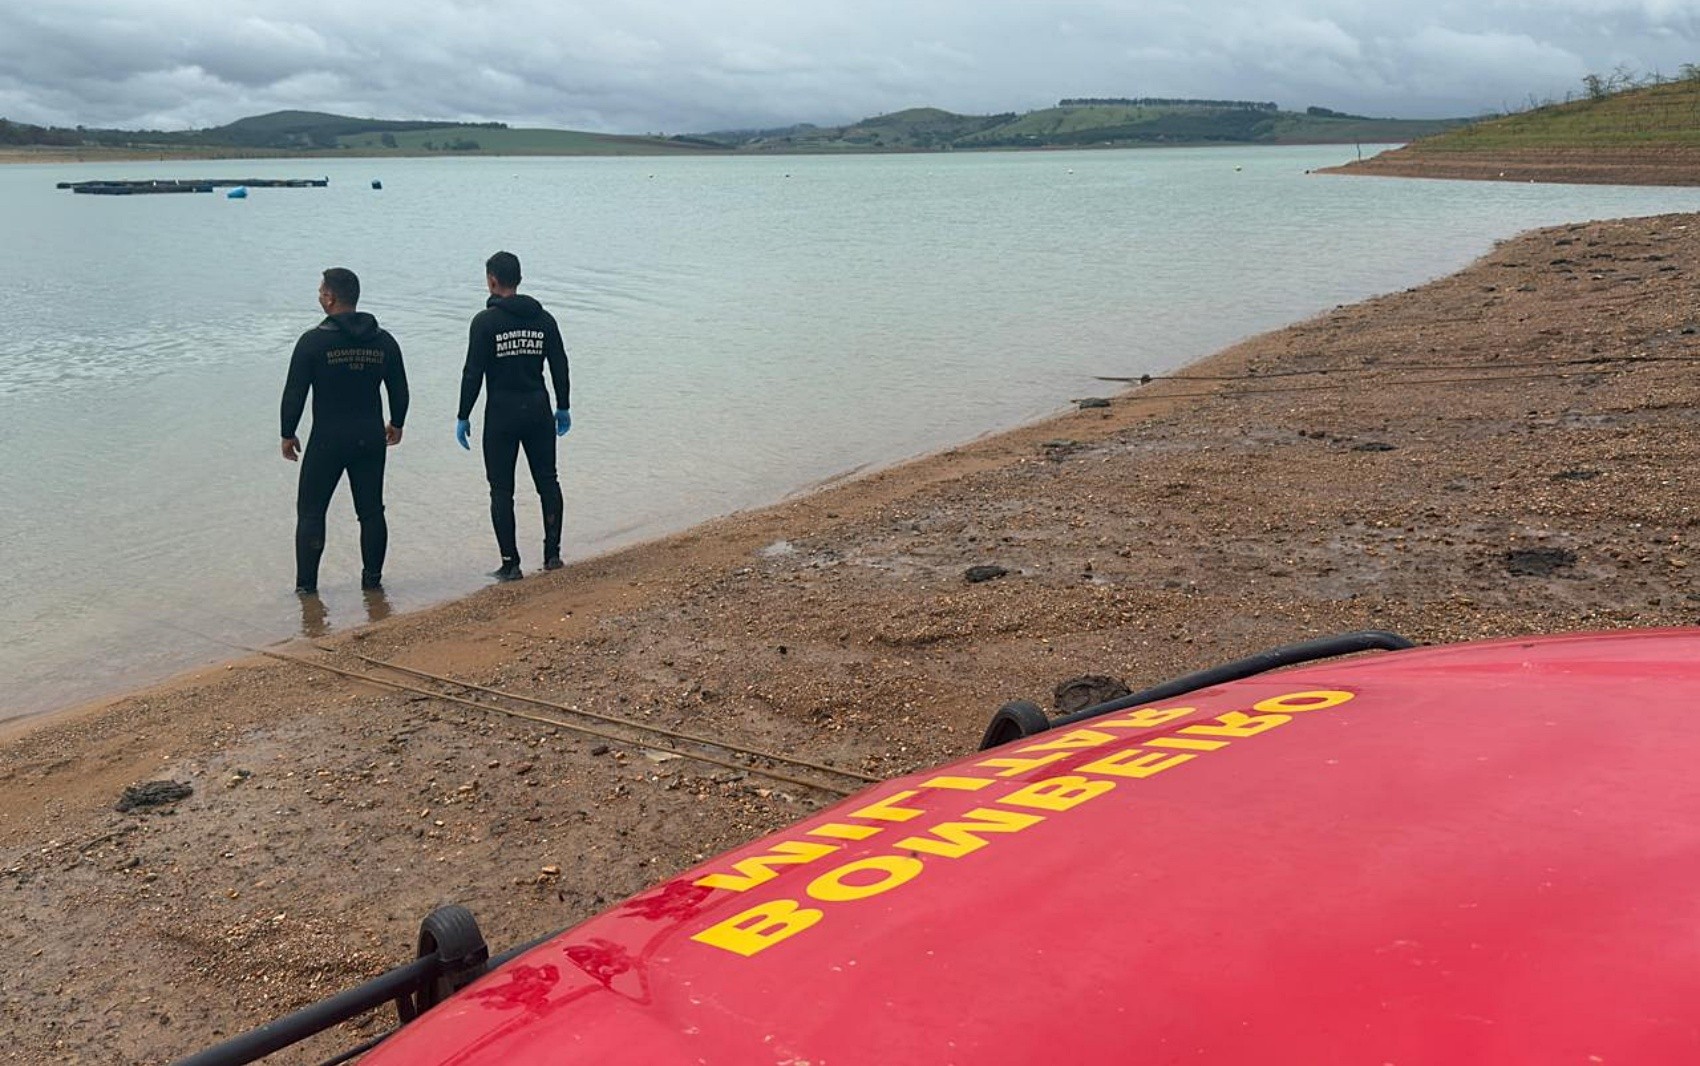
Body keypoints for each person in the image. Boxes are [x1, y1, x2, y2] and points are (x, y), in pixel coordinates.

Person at [280, 267, 408, 595]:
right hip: (370, 437)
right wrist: (397, 423)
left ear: (330, 298)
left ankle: (307, 590)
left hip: (328, 439)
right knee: (371, 511)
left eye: (320, 292)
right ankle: (373, 583)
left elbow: (295, 392)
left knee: (311, 513)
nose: (319, 296)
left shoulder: (312, 342)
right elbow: (399, 388)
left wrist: (287, 432)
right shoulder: (383, 341)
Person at [456, 250, 572, 581]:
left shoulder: (485, 323)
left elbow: (473, 372)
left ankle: (511, 563)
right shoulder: (544, 319)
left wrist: (463, 414)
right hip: (538, 410)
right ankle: (552, 555)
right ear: (519, 279)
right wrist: (563, 406)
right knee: (547, 481)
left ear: (492, 281)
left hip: (502, 415)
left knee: (501, 490)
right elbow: (560, 364)